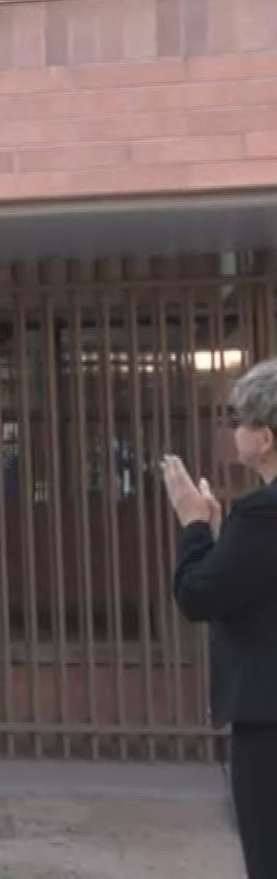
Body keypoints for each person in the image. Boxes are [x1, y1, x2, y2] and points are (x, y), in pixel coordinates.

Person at [166, 357, 277, 879]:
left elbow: (200, 595)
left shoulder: (262, 514)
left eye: (239, 422)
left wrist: (193, 526)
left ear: (266, 437)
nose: (234, 432)